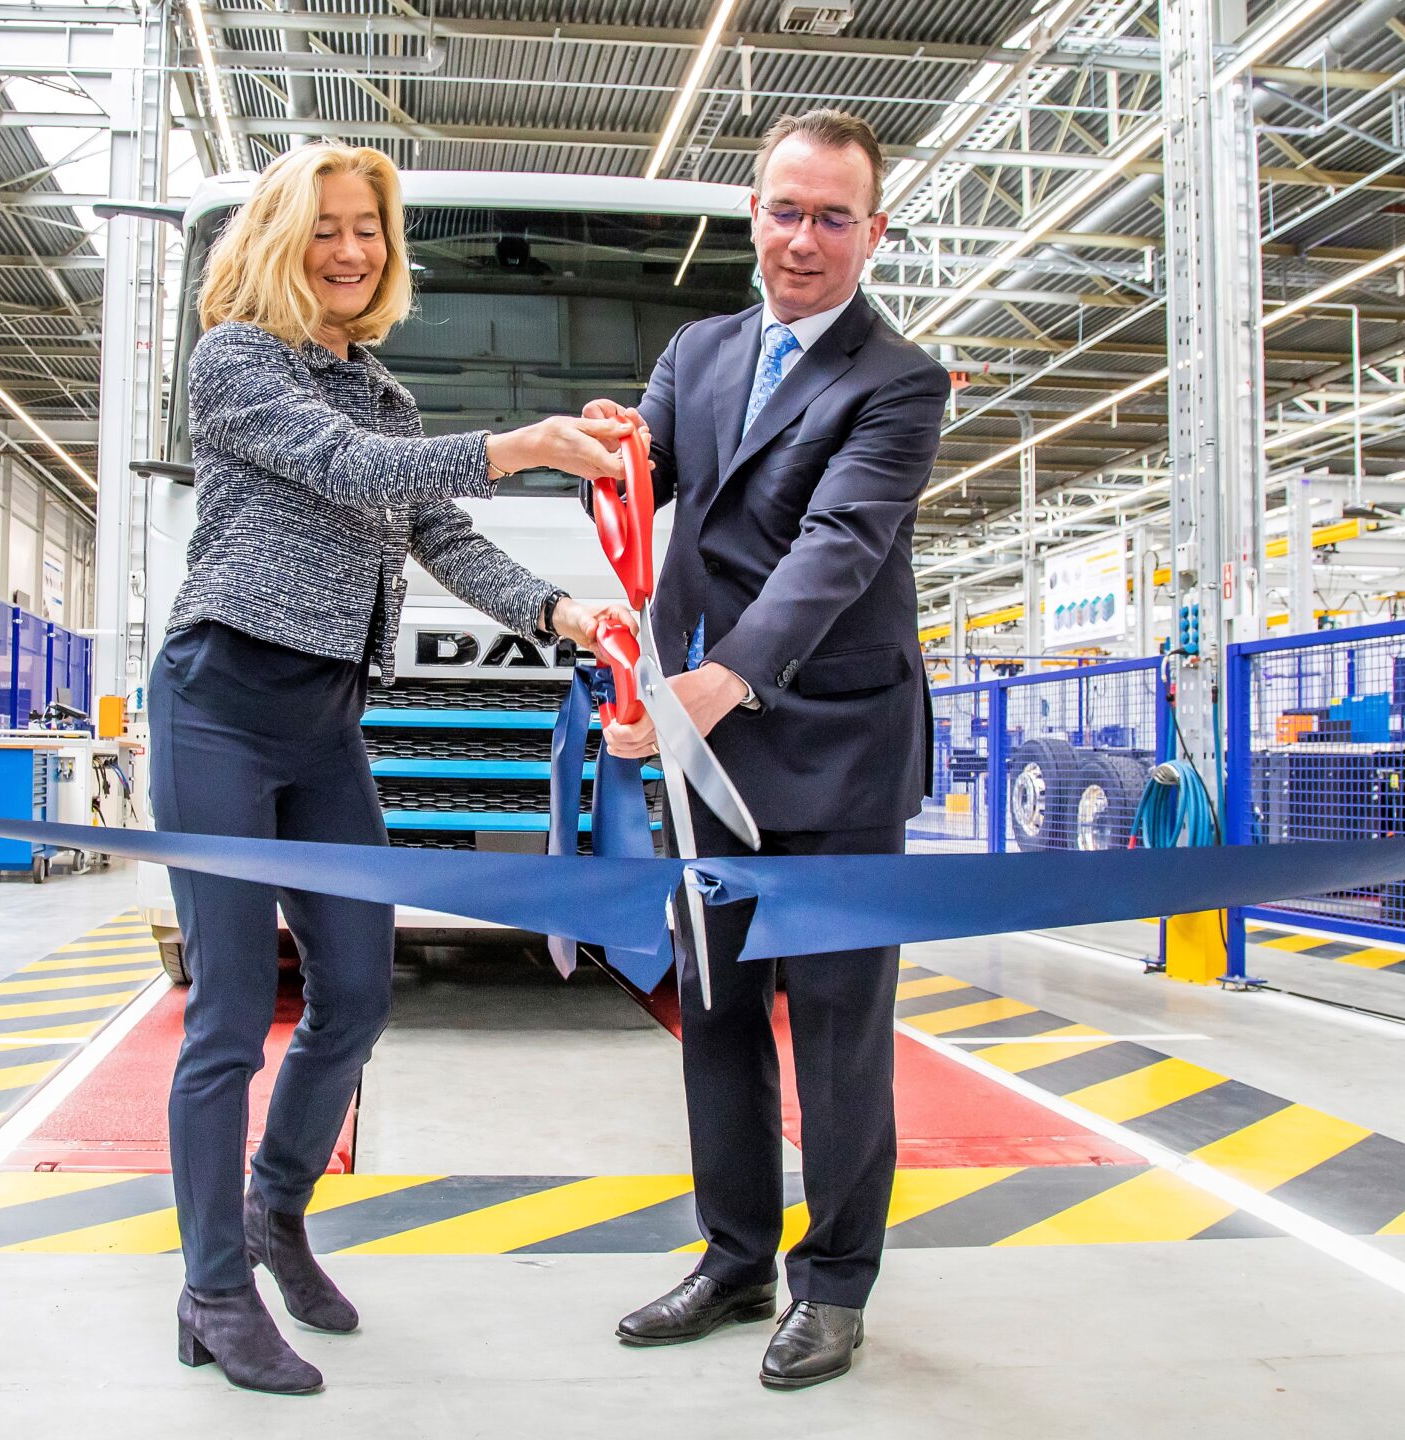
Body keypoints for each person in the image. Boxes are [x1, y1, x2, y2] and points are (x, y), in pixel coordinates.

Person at [155, 143, 634, 1396]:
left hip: (324, 724)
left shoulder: (388, 397)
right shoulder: (237, 363)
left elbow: (437, 531)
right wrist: (524, 439)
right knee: (222, 1019)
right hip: (221, 703)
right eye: (326, 228)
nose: (352, 250)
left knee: (358, 996)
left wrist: (562, 613)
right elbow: (347, 475)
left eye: (368, 229)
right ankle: (211, 1292)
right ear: (276, 238)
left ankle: (274, 1215)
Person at [591, 109, 951, 1390]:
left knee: (843, 1029)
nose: (802, 240)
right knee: (717, 1013)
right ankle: (735, 1256)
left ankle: (836, 1283)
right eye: (784, 210)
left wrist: (717, 680)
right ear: (752, 212)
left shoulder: (899, 379)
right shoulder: (697, 350)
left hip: (835, 745)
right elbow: (640, 485)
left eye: (832, 217)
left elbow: (835, 551)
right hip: (708, 746)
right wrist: (605, 455)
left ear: (873, 230)